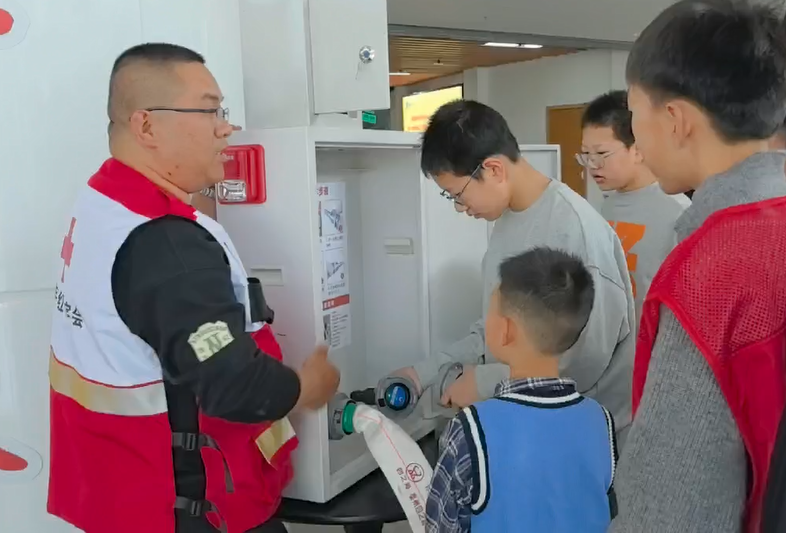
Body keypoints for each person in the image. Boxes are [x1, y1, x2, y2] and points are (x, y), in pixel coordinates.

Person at [47, 43, 340, 533]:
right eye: (210, 111)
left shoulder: (104, 204)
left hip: (119, 497)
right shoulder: (164, 244)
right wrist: (308, 387)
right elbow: (233, 384)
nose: (226, 127)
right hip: (187, 511)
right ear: (146, 126)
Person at [609, 1, 786, 532]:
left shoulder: (711, 273)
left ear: (675, 120)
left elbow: (672, 512)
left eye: (634, 112)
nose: (635, 135)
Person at [394, 100, 635, 448]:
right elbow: (498, 326)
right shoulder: (509, 221)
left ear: (493, 169)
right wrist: (425, 372)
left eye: (458, 195)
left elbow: (584, 361)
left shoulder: (574, 230)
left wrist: (486, 382)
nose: (461, 208)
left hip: (582, 440)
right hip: (531, 423)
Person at [425, 247, 618, 533]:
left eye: (490, 312)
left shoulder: (471, 429)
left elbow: (439, 524)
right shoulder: (601, 421)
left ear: (506, 331)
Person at [580, 90, 690, 321]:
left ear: (638, 149)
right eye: (586, 154)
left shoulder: (677, 213)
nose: (592, 165)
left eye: (601, 153)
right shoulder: (605, 207)